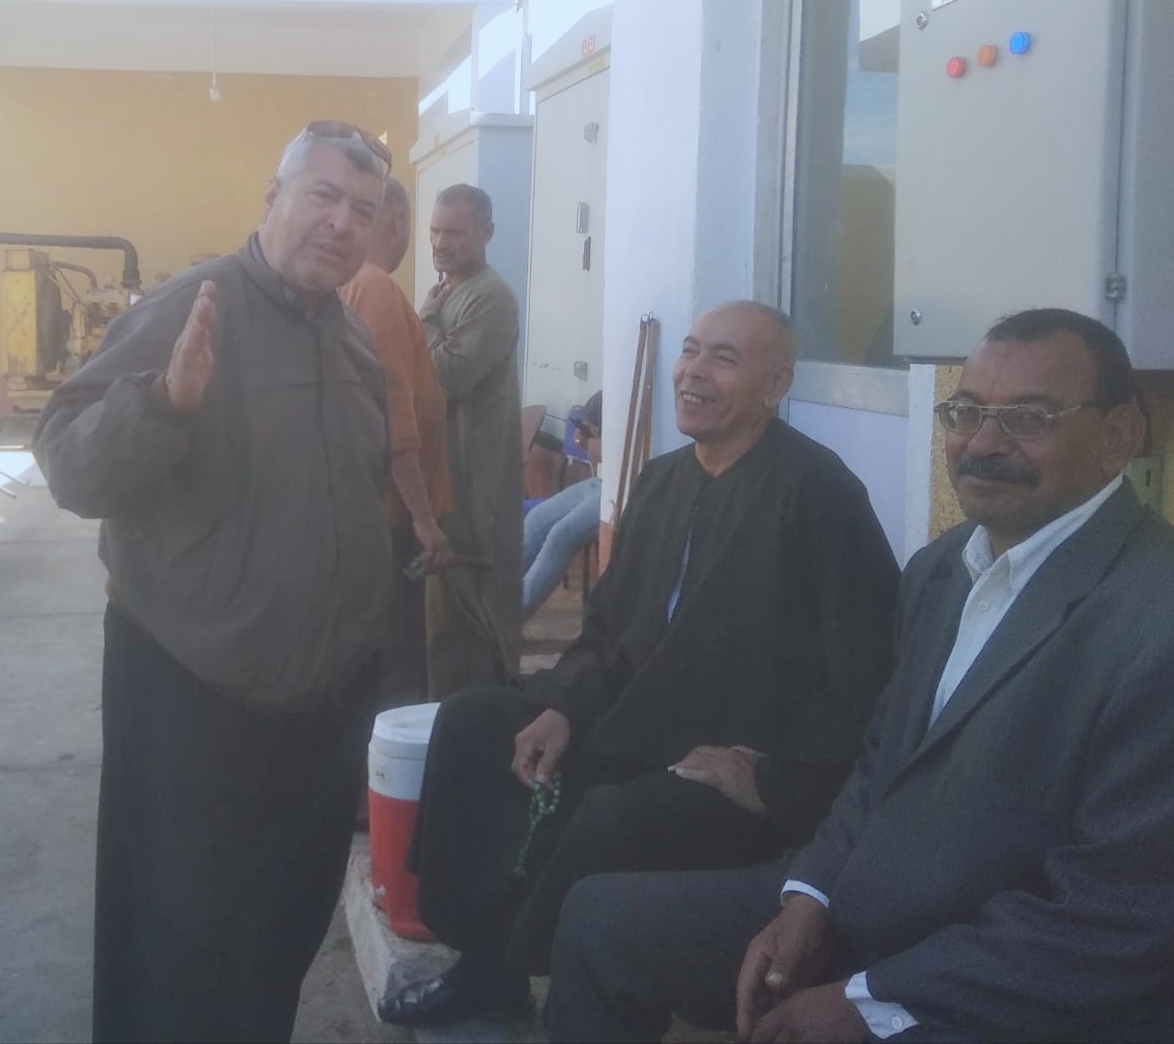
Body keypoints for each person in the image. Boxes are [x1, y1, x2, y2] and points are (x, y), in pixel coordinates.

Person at [545, 307, 1174, 1044]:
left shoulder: (1150, 615)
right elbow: (880, 763)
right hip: (862, 908)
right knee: (599, 921)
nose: (983, 443)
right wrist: (808, 895)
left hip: (995, 979)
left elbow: (1116, 918)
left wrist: (873, 999)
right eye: (966, 412)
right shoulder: (943, 569)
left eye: (1029, 418)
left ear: (1118, 436)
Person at [378, 300, 901, 1029]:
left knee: (611, 819)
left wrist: (773, 780)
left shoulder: (819, 492)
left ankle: (530, 973)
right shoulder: (662, 481)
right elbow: (608, 631)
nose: (692, 372)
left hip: (733, 758)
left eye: (724, 358)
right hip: (632, 717)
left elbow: (867, 674)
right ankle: (482, 958)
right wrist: (564, 707)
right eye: (690, 350)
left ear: (776, 385)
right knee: (472, 722)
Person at [33, 120, 396, 1044]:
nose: (341, 223)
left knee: (279, 937)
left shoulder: (352, 339)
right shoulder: (190, 307)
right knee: (178, 953)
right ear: (272, 198)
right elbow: (67, 463)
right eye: (322, 195)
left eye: (363, 209)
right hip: (194, 701)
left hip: (319, 711)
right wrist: (163, 404)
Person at [340, 175, 453, 704]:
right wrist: (425, 519)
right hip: (391, 518)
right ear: (398, 220)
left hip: (358, 509)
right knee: (397, 665)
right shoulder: (377, 287)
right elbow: (394, 416)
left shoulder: (351, 285)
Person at [419, 182, 523, 699]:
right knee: (442, 629)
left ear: (487, 233)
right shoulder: (448, 292)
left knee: (474, 632)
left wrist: (425, 321)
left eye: (455, 233)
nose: (441, 243)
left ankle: (481, 722)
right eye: (435, 231)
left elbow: (446, 377)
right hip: (445, 486)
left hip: (474, 492)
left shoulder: (490, 296)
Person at [523, 390, 603, 619]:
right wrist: (584, 434)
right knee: (536, 519)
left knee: (562, 534)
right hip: (598, 481)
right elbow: (585, 425)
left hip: (626, 489)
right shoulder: (614, 387)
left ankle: (511, 615)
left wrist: (605, 450)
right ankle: (495, 599)